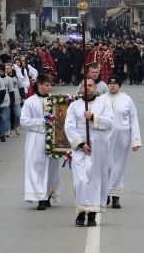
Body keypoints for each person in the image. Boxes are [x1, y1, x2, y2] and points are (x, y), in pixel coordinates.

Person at [65, 77, 114, 227]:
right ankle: (80, 213)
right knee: (80, 180)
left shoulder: (104, 102)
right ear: (80, 89)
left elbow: (110, 122)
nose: (88, 88)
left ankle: (92, 214)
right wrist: (80, 143)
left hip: (97, 149)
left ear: (96, 88)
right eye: (85, 86)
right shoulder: (74, 106)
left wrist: (93, 117)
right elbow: (69, 126)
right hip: (80, 149)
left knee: (94, 180)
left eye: (91, 85)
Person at [99, 76, 142, 209]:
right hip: (105, 136)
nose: (112, 86)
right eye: (110, 84)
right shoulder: (101, 99)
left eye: (115, 84)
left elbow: (133, 119)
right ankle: (105, 194)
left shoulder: (127, 99)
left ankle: (116, 195)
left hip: (122, 137)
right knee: (105, 165)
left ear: (119, 86)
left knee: (118, 165)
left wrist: (136, 140)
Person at [20, 73, 61, 210]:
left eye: (50, 85)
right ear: (39, 85)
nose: (49, 88)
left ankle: (48, 194)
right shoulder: (30, 101)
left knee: (51, 166)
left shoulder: (55, 100)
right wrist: (42, 122)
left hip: (52, 137)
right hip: (36, 138)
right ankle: (40, 197)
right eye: (46, 85)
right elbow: (24, 121)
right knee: (37, 166)